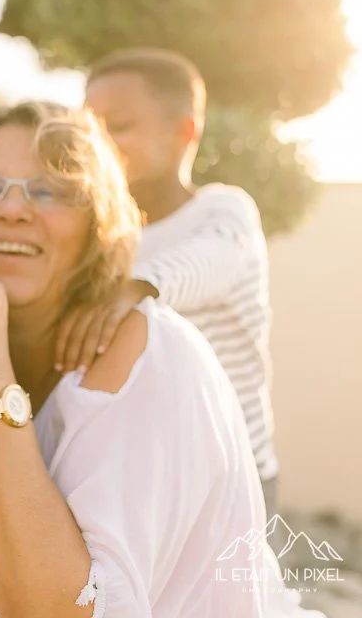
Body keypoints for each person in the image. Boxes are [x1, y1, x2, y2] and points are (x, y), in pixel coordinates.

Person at [0, 102, 319, 617]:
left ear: (96, 217)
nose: (12, 209)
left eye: (51, 191)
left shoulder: (144, 353)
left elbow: (73, 611)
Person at [65, 48, 279, 513]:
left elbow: (211, 259)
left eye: (117, 126)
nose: (96, 144)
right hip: (140, 479)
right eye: (87, 130)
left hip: (233, 478)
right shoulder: (93, 233)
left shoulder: (222, 210)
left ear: (184, 132)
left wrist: (135, 287)